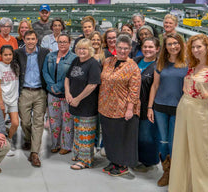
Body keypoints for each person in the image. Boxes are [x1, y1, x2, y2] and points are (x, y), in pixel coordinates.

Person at [169, 34, 208, 192]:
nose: (195, 50)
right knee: (182, 147)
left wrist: (206, 115)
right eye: (193, 47)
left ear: (207, 47)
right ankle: (184, 186)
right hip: (183, 107)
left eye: (199, 46)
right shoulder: (192, 66)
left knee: (202, 151)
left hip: (199, 111)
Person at [147, 33, 187, 186]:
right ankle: (166, 172)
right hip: (160, 107)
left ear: (181, 44)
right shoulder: (161, 63)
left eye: (176, 43)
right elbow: (155, 86)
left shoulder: (187, 63)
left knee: (173, 142)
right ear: (165, 47)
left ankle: (176, 174)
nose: (173, 46)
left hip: (179, 109)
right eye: (169, 44)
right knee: (163, 141)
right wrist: (150, 107)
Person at [99, 34, 141, 176]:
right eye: (120, 48)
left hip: (122, 108)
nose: (122, 51)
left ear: (130, 49)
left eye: (125, 48)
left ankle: (122, 164)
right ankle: (113, 161)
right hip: (105, 106)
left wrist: (130, 109)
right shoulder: (108, 61)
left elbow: (134, 91)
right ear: (115, 48)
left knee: (122, 137)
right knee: (110, 136)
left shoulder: (132, 66)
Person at [14, 30, 50, 167]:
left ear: (36, 40)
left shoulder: (44, 52)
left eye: (32, 39)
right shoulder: (18, 53)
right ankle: (28, 138)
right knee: (25, 121)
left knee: (38, 122)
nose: (30, 41)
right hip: (25, 92)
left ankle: (34, 153)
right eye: (27, 39)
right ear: (24, 40)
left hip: (40, 91)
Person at [65, 39, 101, 170]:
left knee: (86, 132)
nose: (81, 51)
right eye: (79, 48)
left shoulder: (93, 64)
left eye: (84, 49)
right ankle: (78, 154)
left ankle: (85, 160)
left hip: (87, 105)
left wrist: (78, 98)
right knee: (78, 131)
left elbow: (92, 84)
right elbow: (67, 78)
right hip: (74, 103)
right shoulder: (76, 61)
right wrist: (68, 94)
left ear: (90, 49)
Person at [42, 34, 76, 155]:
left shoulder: (74, 58)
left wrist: (59, 87)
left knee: (67, 121)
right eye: (60, 41)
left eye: (65, 42)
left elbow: (70, 76)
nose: (62, 44)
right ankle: (55, 144)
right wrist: (52, 86)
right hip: (52, 93)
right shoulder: (50, 56)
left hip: (66, 94)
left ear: (69, 42)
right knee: (54, 121)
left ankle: (66, 145)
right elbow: (45, 71)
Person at [132, 37, 160, 172]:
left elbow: (156, 88)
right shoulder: (135, 61)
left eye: (151, 47)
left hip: (148, 106)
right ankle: (136, 157)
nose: (147, 49)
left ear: (157, 49)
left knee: (147, 134)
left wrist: (150, 107)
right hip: (132, 106)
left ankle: (149, 162)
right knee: (136, 134)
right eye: (145, 47)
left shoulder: (158, 66)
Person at [0, 45, 19, 156]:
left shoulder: (16, 66)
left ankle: (9, 138)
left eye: (10, 54)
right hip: (2, 98)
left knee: (15, 123)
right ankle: (2, 143)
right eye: (5, 55)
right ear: (1, 55)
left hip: (13, 99)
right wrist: (0, 102)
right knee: (1, 124)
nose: (8, 57)